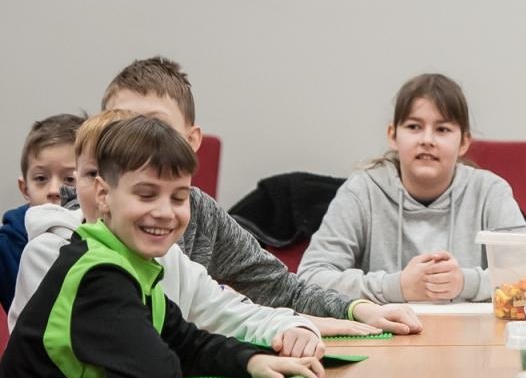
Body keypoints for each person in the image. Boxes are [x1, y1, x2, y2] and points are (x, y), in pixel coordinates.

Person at [0, 117, 322, 378]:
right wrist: (171, 351)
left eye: (178, 197)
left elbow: (185, 339)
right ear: (103, 194)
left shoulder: (130, 264)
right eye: (146, 194)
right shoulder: (97, 276)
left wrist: (251, 359)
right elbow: (158, 374)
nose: (165, 213)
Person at [99, 56, 419, 333]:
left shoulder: (201, 214)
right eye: (121, 126)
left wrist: (358, 308)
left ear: (192, 139)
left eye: (156, 126)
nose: (139, 140)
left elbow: (278, 287)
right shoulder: (78, 222)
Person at [10, 110, 324, 357]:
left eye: (177, 196)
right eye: (91, 175)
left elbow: (232, 313)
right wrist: (237, 357)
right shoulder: (51, 253)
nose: (162, 211)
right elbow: (138, 358)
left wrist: (293, 327)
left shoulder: (166, 257)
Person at [299, 73, 525, 303]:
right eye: (414, 126)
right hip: (383, 334)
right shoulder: (362, 191)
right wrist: (397, 286)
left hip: (472, 335)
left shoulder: (490, 191)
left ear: (464, 142)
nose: (427, 140)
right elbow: (309, 278)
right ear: (393, 135)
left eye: (443, 129)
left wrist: (465, 283)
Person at [1, 114, 81, 310]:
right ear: (24, 188)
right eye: (41, 178)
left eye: (69, 179)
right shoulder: (5, 248)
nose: (54, 190)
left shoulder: (109, 239)